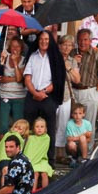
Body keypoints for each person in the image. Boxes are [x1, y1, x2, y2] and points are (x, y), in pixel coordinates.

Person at [24, 30, 64, 163]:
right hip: (32, 95)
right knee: (28, 128)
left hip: (48, 96)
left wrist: (43, 92)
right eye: (41, 39)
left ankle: (49, 159)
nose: (44, 41)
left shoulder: (55, 57)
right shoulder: (32, 56)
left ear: (50, 41)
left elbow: (57, 80)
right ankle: (27, 156)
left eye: (47, 39)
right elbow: (27, 78)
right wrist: (35, 93)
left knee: (49, 129)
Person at [71, 28, 98, 148]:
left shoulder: (97, 53)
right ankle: (73, 151)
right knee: (73, 122)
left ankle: (88, 150)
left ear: (90, 41)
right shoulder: (72, 53)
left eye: (85, 40)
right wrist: (74, 62)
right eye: (80, 40)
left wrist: (97, 92)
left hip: (90, 90)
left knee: (89, 122)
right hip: (74, 91)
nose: (82, 43)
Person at [0, 36, 27, 135]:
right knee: (3, 125)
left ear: (21, 48)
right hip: (5, 96)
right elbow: (0, 78)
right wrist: (15, 78)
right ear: (9, 47)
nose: (15, 49)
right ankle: (3, 148)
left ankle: (15, 148)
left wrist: (15, 63)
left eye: (18, 46)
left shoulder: (24, 60)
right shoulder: (4, 58)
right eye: (13, 46)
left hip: (19, 97)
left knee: (18, 126)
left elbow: (20, 78)